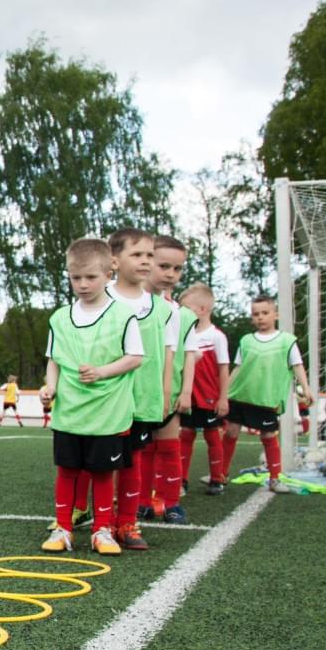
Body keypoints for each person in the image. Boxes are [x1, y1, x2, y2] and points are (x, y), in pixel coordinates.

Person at [39, 238, 144, 555]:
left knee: (102, 473)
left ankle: (102, 531)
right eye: (75, 277)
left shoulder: (123, 315)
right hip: (70, 413)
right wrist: (50, 387)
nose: (82, 284)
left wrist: (102, 371)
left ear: (108, 274)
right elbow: (54, 360)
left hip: (108, 413)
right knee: (67, 471)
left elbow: (135, 357)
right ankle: (62, 529)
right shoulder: (59, 318)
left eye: (90, 277)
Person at [105, 227, 174, 551]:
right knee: (102, 463)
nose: (145, 261)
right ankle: (102, 523)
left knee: (132, 461)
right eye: (137, 254)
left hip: (143, 399)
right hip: (105, 398)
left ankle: (128, 523)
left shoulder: (164, 309)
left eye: (149, 254)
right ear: (114, 260)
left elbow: (168, 353)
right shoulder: (101, 297)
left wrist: (163, 394)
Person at [220, 295, 313, 492]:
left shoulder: (287, 341)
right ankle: (220, 474)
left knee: (268, 435)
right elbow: (237, 367)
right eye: (256, 314)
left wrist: (306, 388)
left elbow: (297, 365)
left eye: (265, 313)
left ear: (275, 314)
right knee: (230, 432)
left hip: (265, 400)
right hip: (239, 396)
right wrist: (224, 390)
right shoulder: (246, 341)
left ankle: (274, 478)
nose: (260, 317)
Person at [144, 235, 192, 524]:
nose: (170, 274)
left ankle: (171, 502)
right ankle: (140, 502)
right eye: (164, 266)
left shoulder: (176, 311)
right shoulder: (124, 301)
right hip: (134, 390)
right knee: (140, 450)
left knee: (169, 445)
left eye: (177, 269)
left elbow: (187, 353)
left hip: (167, 389)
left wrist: (182, 389)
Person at [175, 284, 230, 494]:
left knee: (212, 436)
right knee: (186, 435)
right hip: (190, 398)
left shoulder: (217, 336)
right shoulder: (186, 335)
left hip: (209, 397)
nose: (183, 313)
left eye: (187, 308)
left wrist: (223, 398)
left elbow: (223, 369)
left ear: (203, 309)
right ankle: (181, 480)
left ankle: (217, 478)